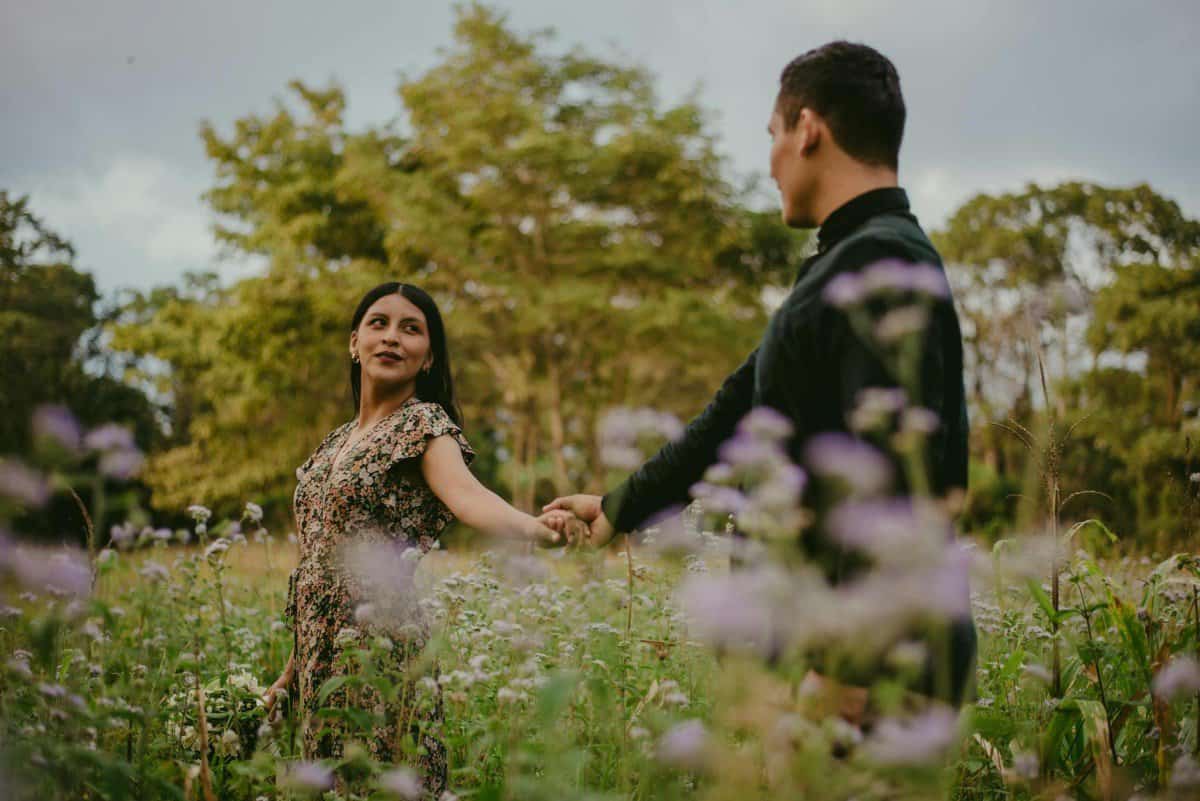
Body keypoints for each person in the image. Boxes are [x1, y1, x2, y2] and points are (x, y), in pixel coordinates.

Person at [545, 41, 976, 708]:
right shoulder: (843, 263)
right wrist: (618, 506)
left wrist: (844, 672)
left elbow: (891, 475)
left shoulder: (881, 261)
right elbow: (735, 411)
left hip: (867, 682)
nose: (770, 161)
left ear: (808, 130)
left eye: (772, 134)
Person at [263, 282, 578, 796]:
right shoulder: (336, 441)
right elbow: (319, 569)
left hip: (379, 650)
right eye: (378, 323)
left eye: (411, 329)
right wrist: (291, 670)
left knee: (377, 782)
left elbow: (468, 497)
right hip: (320, 657)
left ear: (428, 358)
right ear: (354, 343)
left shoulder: (425, 426)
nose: (392, 338)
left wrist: (536, 530)